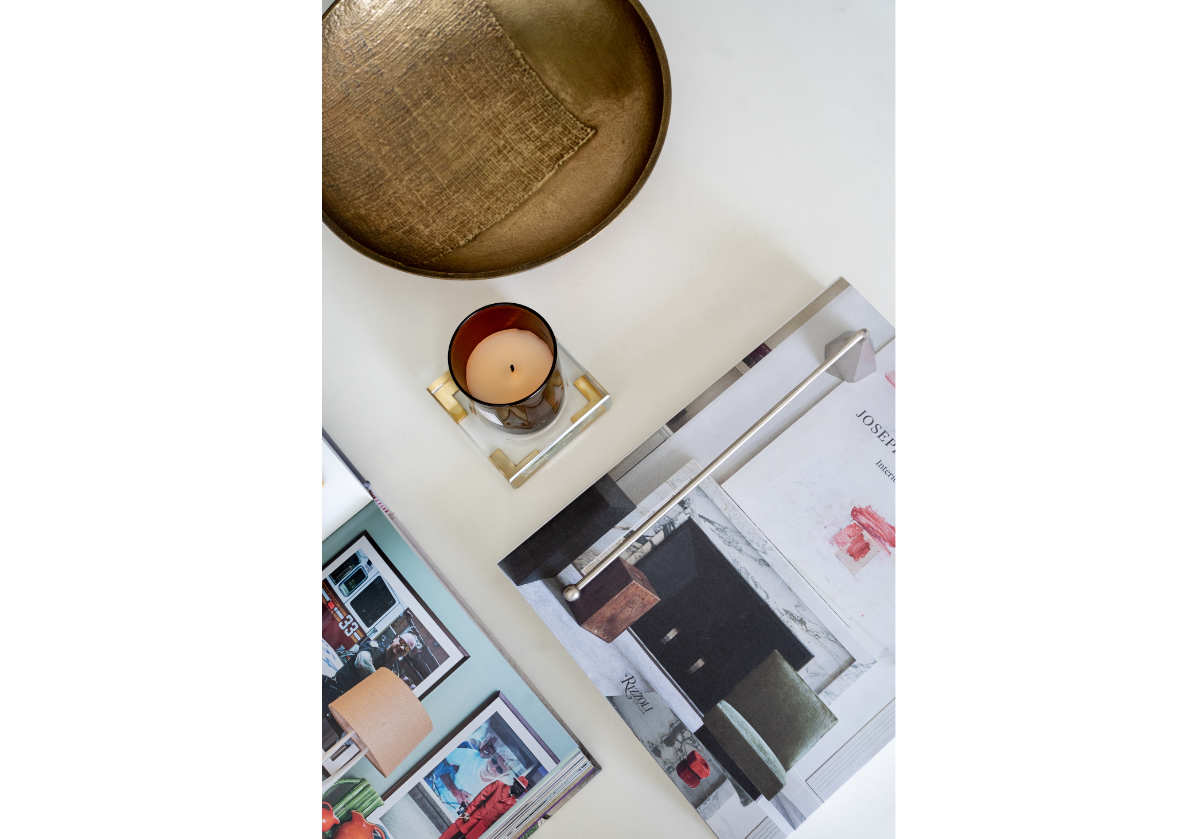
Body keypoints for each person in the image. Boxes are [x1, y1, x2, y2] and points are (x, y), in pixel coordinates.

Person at [438, 776, 529, 839]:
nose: (518, 789)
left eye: (521, 789)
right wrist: (467, 812)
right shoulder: (498, 785)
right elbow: (480, 798)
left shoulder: (512, 804)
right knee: (450, 835)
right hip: (470, 817)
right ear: (514, 782)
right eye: (518, 785)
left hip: (480, 830)